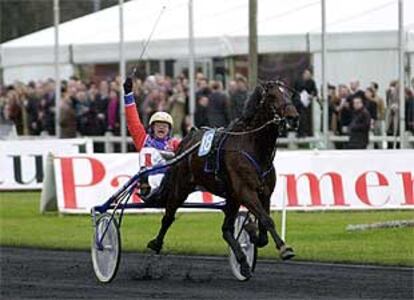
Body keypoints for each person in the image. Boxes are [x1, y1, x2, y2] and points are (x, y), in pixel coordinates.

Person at [123, 77, 180, 196]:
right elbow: (133, 121)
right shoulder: (144, 140)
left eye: (165, 126)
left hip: (169, 183)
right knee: (148, 151)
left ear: (169, 130)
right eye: (158, 125)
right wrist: (128, 95)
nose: (161, 128)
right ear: (152, 128)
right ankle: (145, 184)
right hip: (149, 181)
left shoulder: (174, 143)